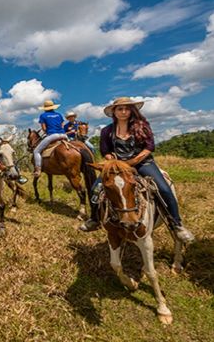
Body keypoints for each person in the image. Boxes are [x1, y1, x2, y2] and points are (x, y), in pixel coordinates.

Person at [78, 97, 195, 243]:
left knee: (164, 188)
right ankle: (95, 219)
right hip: (118, 166)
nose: (124, 112)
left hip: (143, 163)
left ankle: (177, 225)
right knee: (96, 190)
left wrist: (134, 161)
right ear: (114, 112)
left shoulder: (142, 125)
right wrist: (112, 160)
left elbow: (149, 147)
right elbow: (105, 150)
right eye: (120, 109)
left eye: (127, 108)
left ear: (132, 110)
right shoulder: (107, 130)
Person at [32, 100, 67, 177]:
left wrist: (47, 132)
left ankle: (38, 169)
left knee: (36, 151)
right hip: (64, 135)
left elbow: (44, 128)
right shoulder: (59, 115)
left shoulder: (43, 115)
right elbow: (62, 126)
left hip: (52, 136)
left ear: (45, 108)